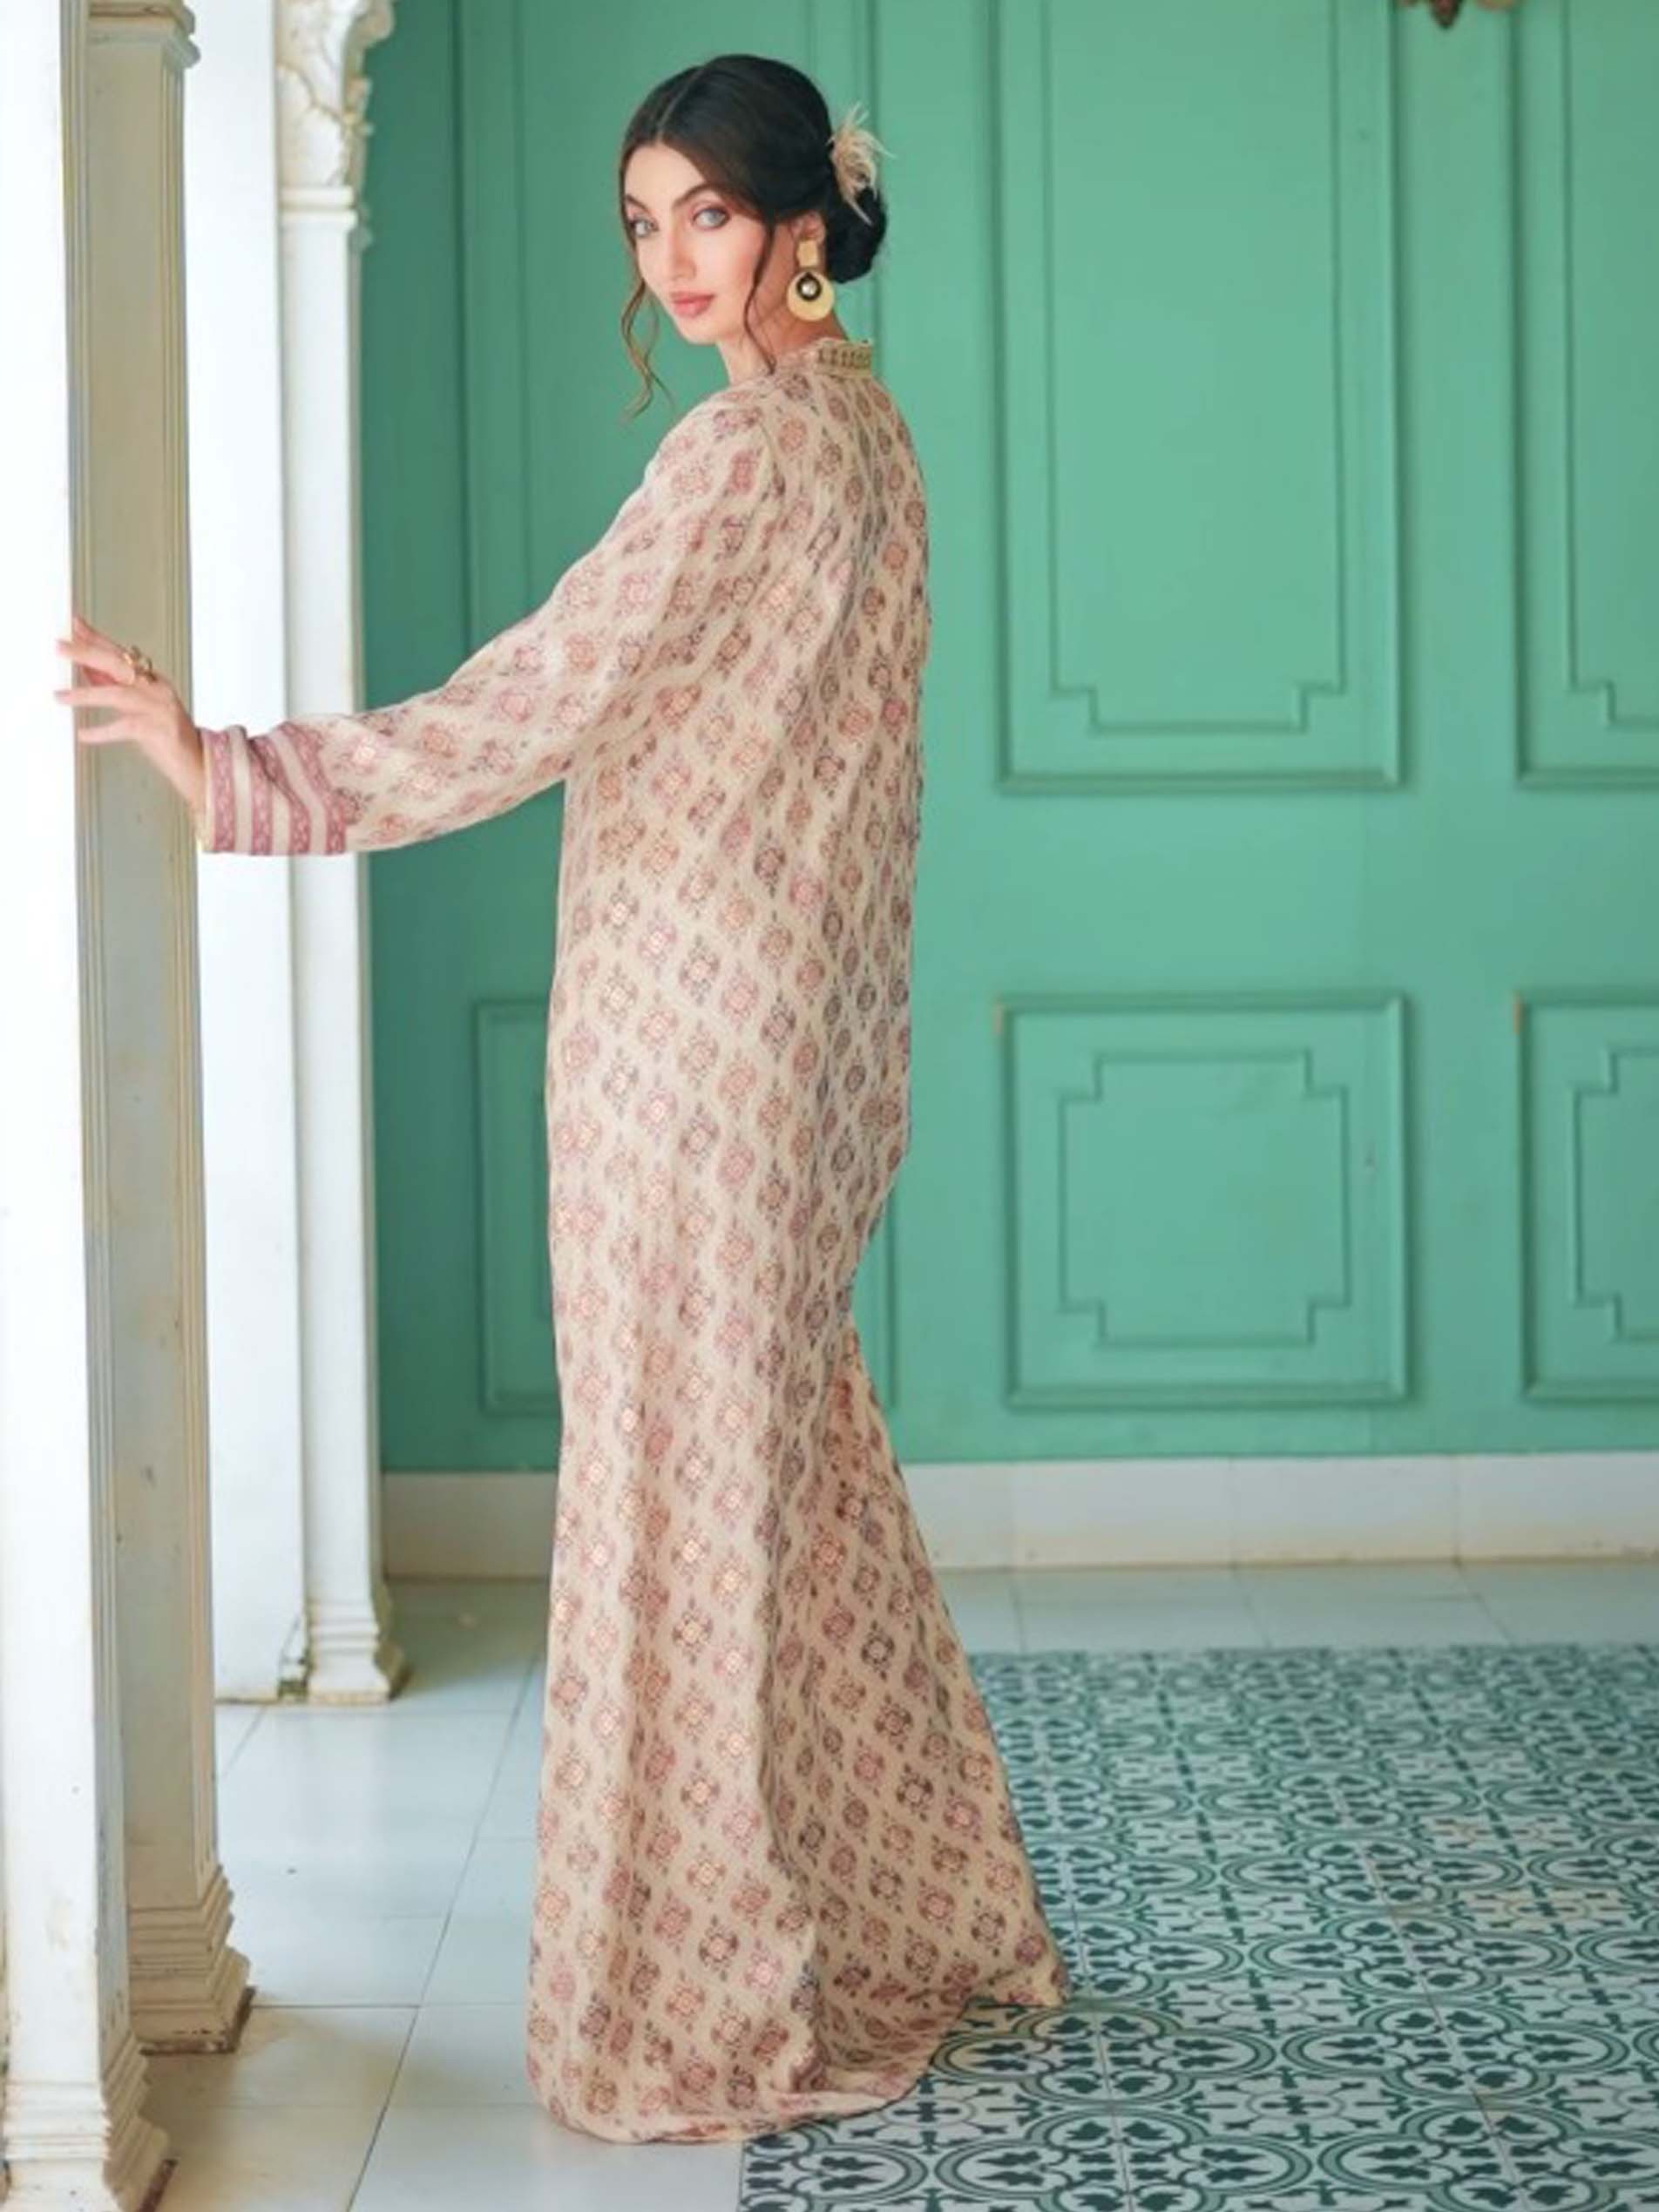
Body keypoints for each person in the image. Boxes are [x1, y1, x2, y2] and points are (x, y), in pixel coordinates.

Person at [53, 51, 1070, 2146]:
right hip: (794, 1048)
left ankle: (696, 1995)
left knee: (679, 1517)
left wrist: (228, 766)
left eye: (708, 214)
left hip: (683, 1056)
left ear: (801, 222)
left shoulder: (738, 461)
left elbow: (528, 699)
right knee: (773, 1488)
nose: (671, 259)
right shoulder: (867, 437)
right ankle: (897, 1908)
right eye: (643, 221)